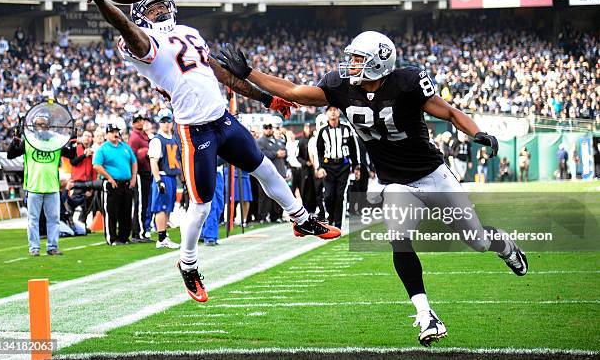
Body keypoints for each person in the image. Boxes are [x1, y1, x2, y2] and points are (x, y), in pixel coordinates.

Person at [216, 31, 528, 347]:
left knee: (475, 239)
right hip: (394, 181)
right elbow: (295, 91)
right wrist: (249, 73)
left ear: (378, 63)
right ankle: (425, 314)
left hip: (432, 174)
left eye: (358, 59)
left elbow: (447, 111)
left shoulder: (406, 82)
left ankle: (505, 247)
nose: (350, 65)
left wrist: (479, 133)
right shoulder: (341, 88)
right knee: (399, 238)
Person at [79, 0, 340, 303]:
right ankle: (188, 264)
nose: (160, 12)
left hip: (223, 120)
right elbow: (126, 28)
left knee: (266, 170)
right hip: (194, 130)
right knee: (201, 206)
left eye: (162, 6)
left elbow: (224, 76)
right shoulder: (143, 43)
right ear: (140, 18)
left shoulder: (189, 32)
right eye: (152, 9)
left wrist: (268, 98)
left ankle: (301, 220)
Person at [7, 114, 76, 256]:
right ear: (34, 126)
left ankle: (52, 247)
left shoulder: (56, 142)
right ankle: (34, 248)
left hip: (52, 187)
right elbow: (10, 154)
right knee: (33, 220)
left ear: (49, 126)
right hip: (33, 187)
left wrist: (73, 140)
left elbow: (71, 155)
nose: (41, 127)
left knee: (54, 219)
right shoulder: (28, 141)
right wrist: (16, 138)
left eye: (44, 124)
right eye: (38, 124)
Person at [92, 123, 138, 245]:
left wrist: (133, 177)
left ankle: (124, 237)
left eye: (117, 131)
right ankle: (112, 238)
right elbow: (97, 165)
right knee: (111, 212)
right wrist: (109, 178)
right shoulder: (103, 148)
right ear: (107, 134)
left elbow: (134, 162)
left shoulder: (125, 147)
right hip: (112, 184)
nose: (115, 134)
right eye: (112, 132)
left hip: (126, 183)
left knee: (126, 211)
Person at [315, 106, 358, 228]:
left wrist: (356, 167)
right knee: (328, 196)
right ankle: (331, 217)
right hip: (328, 166)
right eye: (330, 110)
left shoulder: (346, 129)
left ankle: (338, 225)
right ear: (326, 114)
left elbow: (353, 149)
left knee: (340, 196)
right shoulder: (323, 131)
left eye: (335, 110)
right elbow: (319, 150)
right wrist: (320, 167)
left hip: (343, 165)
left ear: (339, 112)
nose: (333, 112)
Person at [148, 108, 181, 249]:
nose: (166, 124)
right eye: (163, 121)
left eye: (168, 120)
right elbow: (153, 161)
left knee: (168, 208)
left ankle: (164, 235)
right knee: (161, 208)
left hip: (172, 177)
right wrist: (158, 180)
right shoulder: (157, 140)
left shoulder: (172, 139)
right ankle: (161, 238)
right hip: (163, 176)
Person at [129, 109, 153, 243]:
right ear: (133, 124)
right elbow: (132, 158)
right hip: (139, 172)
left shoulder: (143, 136)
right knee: (140, 203)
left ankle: (142, 231)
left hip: (146, 171)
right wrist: (144, 153)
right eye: (137, 121)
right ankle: (138, 233)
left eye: (141, 120)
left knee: (145, 203)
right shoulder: (134, 137)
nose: (140, 122)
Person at [66, 130, 98, 227]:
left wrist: (92, 186)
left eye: (89, 136)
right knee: (73, 204)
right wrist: (84, 155)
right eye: (85, 136)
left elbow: (94, 169)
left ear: (92, 139)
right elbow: (73, 162)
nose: (87, 138)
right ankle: (70, 223)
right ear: (82, 137)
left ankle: (82, 225)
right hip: (77, 181)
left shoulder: (92, 152)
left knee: (87, 206)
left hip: (88, 182)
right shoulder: (77, 148)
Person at [256, 123, 285, 223]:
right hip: (265, 172)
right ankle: (262, 217)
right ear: (263, 130)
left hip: (278, 170)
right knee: (264, 196)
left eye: (269, 128)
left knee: (278, 195)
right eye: (266, 128)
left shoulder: (278, 141)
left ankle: (276, 216)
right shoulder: (260, 141)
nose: (268, 130)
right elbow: (262, 154)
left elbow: (284, 152)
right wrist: (276, 154)